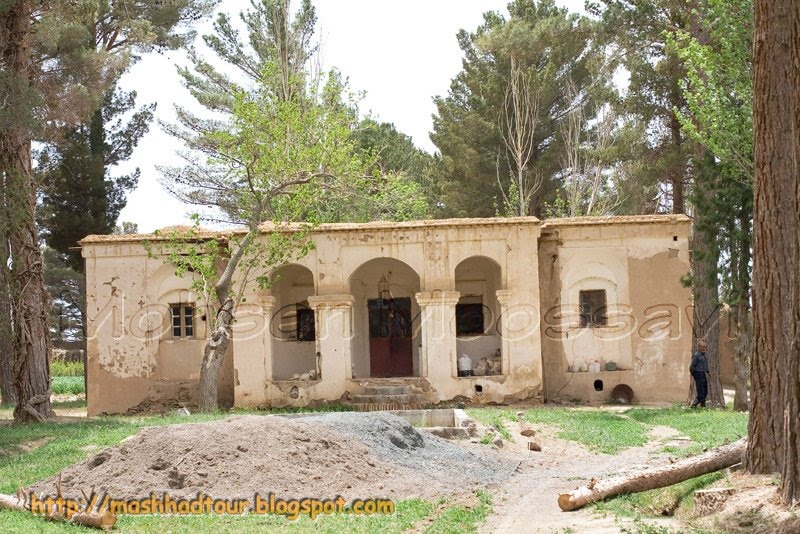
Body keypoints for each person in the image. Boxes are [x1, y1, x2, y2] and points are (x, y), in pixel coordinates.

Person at [690, 340, 709, 407]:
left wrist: (708, 371)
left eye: (705, 347)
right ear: (699, 347)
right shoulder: (696, 355)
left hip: (703, 374)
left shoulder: (703, 355)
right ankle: (700, 405)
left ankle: (698, 404)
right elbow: (692, 367)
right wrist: (695, 375)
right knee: (701, 391)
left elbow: (705, 365)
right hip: (698, 374)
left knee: (705, 391)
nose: (704, 348)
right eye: (702, 347)